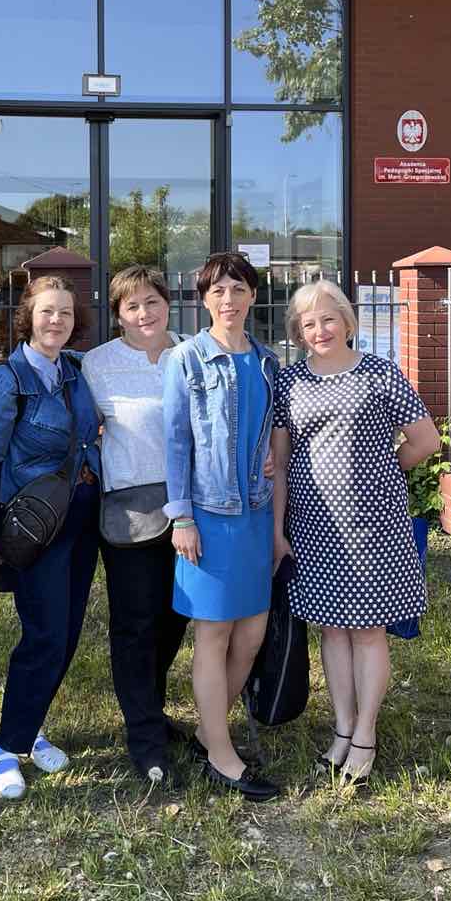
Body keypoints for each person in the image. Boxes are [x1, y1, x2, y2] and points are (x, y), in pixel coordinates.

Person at [270, 279, 439, 785]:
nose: (319, 330)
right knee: (330, 628)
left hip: (375, 524)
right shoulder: (289, 382)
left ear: (346, 321)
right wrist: (278, 530)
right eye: (308, 323)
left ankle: (366, 732)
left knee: (367, 630)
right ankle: (342, 727)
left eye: (328, 319)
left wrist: (380, 473)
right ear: (297, 332)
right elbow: (281, 462)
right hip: (312, 524)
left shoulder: (380, 373)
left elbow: (425, 440)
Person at [0, 275, 102, 802]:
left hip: (83, 517)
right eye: (48, 311)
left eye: (66, 312)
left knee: (66, 633)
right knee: (43, 635)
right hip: (34, 526)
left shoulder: (77, 371)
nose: (57, 321)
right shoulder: (5, 383)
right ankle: (4, 749)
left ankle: (31, 729)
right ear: (29, 316)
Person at [163, 251, 280, 801]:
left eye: (237, 289)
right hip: (207, 516)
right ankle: (221, 754)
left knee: (250, 635)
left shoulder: (268, 362)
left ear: (252, 295)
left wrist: (270, 459)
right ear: (204, 300)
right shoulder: (186, 358)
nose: (228, 300)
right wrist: (181, 517)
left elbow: (274, 435)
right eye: (217, 291)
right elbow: (175, 442)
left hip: (256, 513)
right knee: (214, 634)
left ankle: (210, 732)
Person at [83, 265, 187, 785]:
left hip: (191, 507)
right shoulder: (97, 364)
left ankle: (152, 708)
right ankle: (145, 737)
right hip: (129, 511)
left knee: (175, 618)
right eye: (132, 306)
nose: (144, 313)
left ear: (167, 304)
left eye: (152, 302)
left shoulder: (191, 354)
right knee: (136, 623)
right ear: (118, 314)